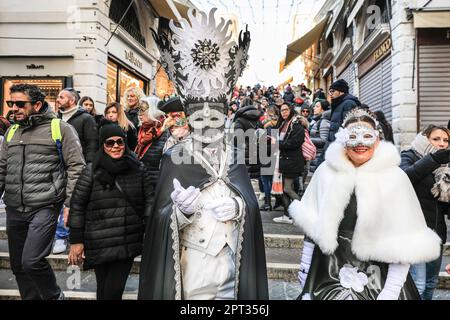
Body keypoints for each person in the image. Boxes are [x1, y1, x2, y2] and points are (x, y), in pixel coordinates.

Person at [139, 8, 268, 300]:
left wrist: (239, 207)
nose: (208, 126)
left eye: (215, 120)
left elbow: (250, 203)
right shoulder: (174, 158)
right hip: (194, 269)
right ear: (189, 121)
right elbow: (159, 219)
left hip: (233, 265)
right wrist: (180, 212)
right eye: (200, 120)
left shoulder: (235, 156)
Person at [289, 108, 441, 300]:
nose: (360, 142)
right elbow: (312, 223)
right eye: (353, 136)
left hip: (379, 275)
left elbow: (405, 239)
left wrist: (392, 289)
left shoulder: (395, 177)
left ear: (377, 140)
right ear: (342, 139)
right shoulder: (326, 172)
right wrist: (305, 265)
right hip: (326, 269)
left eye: (367, 135)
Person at [0, 83, 85, 299]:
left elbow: (77, 167)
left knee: (32, 261)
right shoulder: (12, 131)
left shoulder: (60, 128)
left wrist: (70, 204)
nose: (14, 108)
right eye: (11, 103)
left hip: (45, 206)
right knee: (19, 266)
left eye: (20, 104)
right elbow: (1, 168)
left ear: (37, 104)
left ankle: (54, 296)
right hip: (13, 207)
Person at [68, 122, 153, 300]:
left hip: (127, 240)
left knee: (113, 292)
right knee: (103, 290)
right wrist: (76, 241)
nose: (115, 146)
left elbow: (150, 201)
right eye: (110, 143)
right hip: (99, 241)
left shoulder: (138, 168)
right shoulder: (91, 171)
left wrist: (149, 229)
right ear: (102, 145)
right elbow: (78, 206)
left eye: (119, 142)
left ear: (125, 143)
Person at [400, 125, 450, 300]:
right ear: (424, 139)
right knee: (417, 284)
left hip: (436, 233)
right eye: (436, 139)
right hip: (414, 232)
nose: (442, 144)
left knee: (430, 283)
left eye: (445, 140)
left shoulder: (446, 166)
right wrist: (433, 159)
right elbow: (404, 177)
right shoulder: (410, 155)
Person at [53, 88, 99, 254]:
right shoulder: (56, 118)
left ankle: (63, 236)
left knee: (73, 202)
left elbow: (92, 144)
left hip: (78, 167)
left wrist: (89, 168)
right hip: (58, 168)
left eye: (61, 97)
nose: (58, 99)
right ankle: (60, 234)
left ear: (72, 100)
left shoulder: (86, 119)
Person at [273, 103, 305, 224]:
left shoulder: (296, 125)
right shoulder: (283, 124)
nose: (283, 112)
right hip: (283, 160)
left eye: (286, 110)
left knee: (287, 189)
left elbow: (294, 143)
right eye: (282, 110)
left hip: (292, 161)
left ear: (291, 110)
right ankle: (287, 215)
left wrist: (276, 144)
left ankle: (304, 210)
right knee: (283, 189)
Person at [134, 96, 169, 206]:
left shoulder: (166, 133)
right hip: (143, 187)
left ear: (153, 110)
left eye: (143, 109)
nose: (139, 114)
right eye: (138, 109)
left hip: (158, 191)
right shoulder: (142, 132)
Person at [259, 105, 279, 211]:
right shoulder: (279, 124)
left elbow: (271, 143)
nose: (266, 114)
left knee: (266, 180)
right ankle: (274, 201)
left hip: (268, 155)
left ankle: (267, 203)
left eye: (267, 112)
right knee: (270, 179)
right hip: (274, 155)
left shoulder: (270, 126)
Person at [309, 99, 330, 172]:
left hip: (320, 155)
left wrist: (308, 140)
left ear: (323, 110)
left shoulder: (324, 122)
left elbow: (324, 140)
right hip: (316, 155)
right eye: (314, 106)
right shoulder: (316, 120)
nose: (314, 108)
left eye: (317, 106)